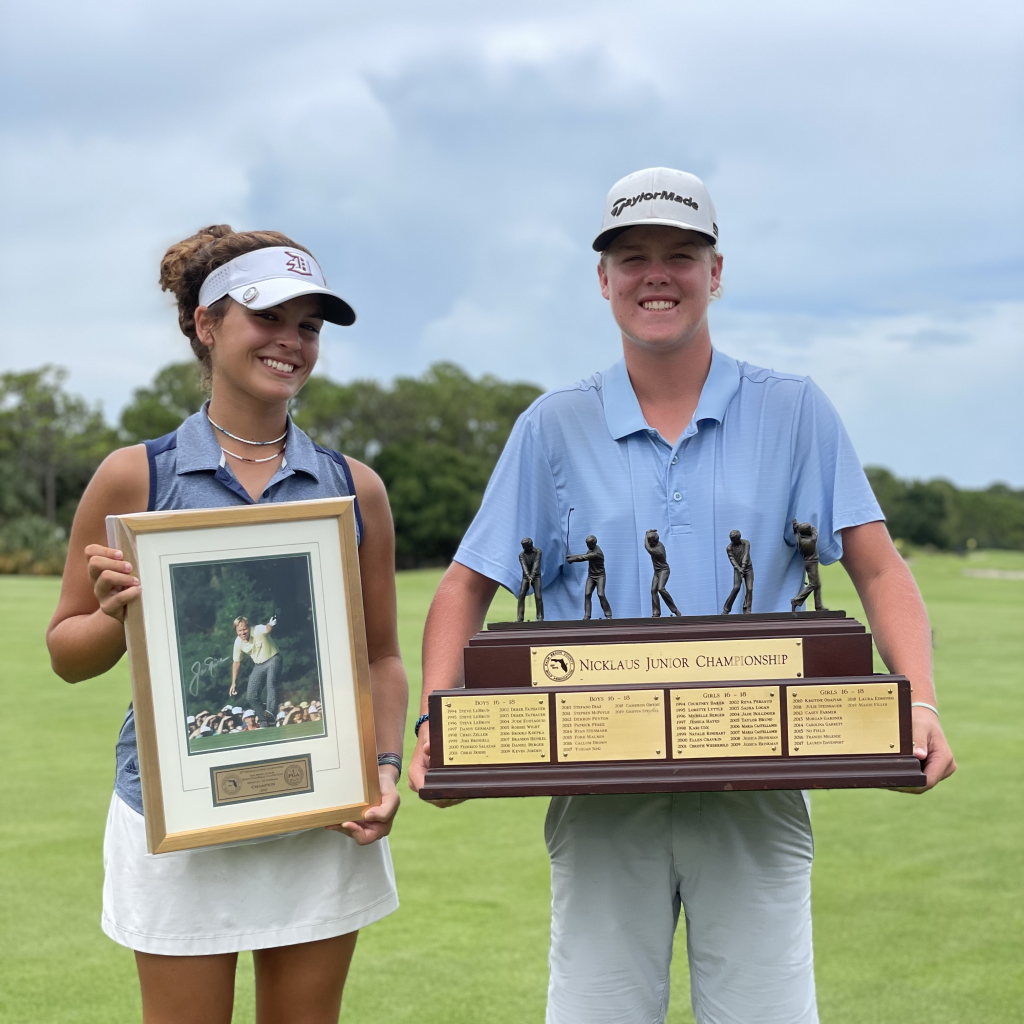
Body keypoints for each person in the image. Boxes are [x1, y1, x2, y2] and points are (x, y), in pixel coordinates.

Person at [409, 168, 956, 1024]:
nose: (655, 275)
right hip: (596, 786)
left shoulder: (796, 408)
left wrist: (917, 699)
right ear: (603, 279)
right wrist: (439, 721)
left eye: (680, 254)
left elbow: (879, 568)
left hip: (759, 781)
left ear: (716, 271)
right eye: (632, 257)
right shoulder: (553, 425)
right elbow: (466, 584)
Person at [46, 225, 408, 1024]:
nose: (291, 342)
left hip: (318, 814)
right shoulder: (136, 475)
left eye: (308, 326)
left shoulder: (356, 489)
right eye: (268, 317)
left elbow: (380, 657)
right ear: (207, 325)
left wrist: (383, 768)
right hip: (179, 815)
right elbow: (67, 653)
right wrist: (113, 617)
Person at [229, 614, 281, 727]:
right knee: (251, 696)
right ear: (236, 631)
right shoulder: (238, 642)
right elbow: (237, 662)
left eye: (245, 629)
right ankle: (264, 721)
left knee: (271, 683)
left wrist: (271, 624)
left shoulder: (257, 630)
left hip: (273, 658)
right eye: (239, 630)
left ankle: (271, 713)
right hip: (259, 665)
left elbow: (267, 629)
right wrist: (234, 682)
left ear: (249, 627)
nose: (243, 633)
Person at [566, 535, 613, 619]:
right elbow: (584, 555)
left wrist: (572, 559)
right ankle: (587, 615)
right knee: (587, 594)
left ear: (593, 544)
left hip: (600, 576)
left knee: (601, 594)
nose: (587, 546)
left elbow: (584, 557)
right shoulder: (592, 549)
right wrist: (572, 557)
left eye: (588, 544)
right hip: (591, 576)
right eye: (586, 544)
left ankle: (608, 614)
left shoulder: (597, 553)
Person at [644, 528, 681, 617]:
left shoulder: (658, 550)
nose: (649, 542)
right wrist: (649, 534)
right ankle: (656, 612)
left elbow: (647, 547)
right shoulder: (656, 544)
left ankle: (675, 610)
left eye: (650, 541)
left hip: (664, 570)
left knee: (661, 589)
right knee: (653, 590)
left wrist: (646, 534)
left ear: (654, 541)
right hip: (657, 572)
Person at [722, 529, 753, 614]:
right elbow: (732, 560)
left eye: (733, 539)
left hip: (748, 568)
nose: (732, 541)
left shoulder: (746, 543)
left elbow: (746, 555)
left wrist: (743, 566)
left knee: (749, 589)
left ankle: (747, 609)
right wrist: (739, 569)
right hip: (737, 569)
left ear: (738, 538)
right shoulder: (729, 548)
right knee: (736, 588)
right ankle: (726, 609)